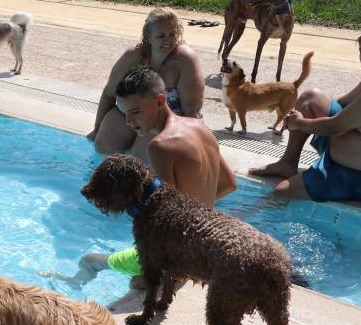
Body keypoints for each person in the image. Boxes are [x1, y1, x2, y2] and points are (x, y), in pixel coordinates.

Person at [43, 66, 235, 288]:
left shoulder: (160, 145)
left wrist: (158, 270)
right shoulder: (201, 128)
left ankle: (72, 286)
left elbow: (164, 214)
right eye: (125, 113)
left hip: (180, 257)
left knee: (90, 261)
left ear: (160, 100)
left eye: (135, 112)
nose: (128, 122)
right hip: (203, 244)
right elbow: (229, 184)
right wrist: (199, 207)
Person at [249, 30, 361, 202]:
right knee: (310, 98)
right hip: (343, 155)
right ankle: (287, 163)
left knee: (281, 193)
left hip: (355, 175)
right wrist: (300, 111)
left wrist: (299, 123)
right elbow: (342, 103)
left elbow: (334, 125)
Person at [86, 7, 204, 162]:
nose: (168, 41)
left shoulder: (185, 60)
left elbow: (192, 112)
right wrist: (96, 130)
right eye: (161, 36)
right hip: (129, 113)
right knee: (104, 145)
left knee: (140, 160)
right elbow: (109, 94)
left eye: (173, 34)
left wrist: (191, 147)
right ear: (148, 37)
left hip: (166, 119)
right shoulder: (132, 56)